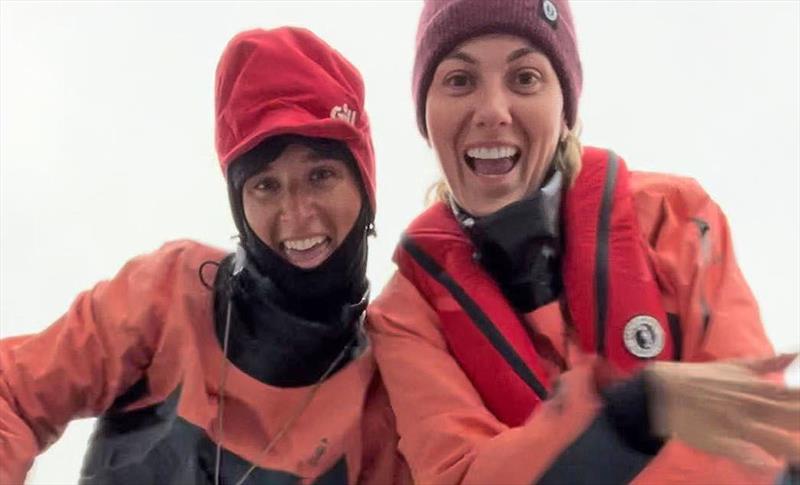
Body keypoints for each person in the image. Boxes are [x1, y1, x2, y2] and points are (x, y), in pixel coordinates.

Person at [367, 0, 800, 483]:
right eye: (459, 81)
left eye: (525, 77)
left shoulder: (676, 217)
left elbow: (754, 441)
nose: (492, 111)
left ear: (566, 107)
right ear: (426, 119)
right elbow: (461, 475)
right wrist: (635, 413)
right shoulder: (406, 316)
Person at [0, 27, 408, 485]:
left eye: (321, 175)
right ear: (239, 203)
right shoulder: (166, 295)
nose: (296, 213)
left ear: (365, 186)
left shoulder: (389, 389)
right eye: (265, 185)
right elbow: (12, 390)